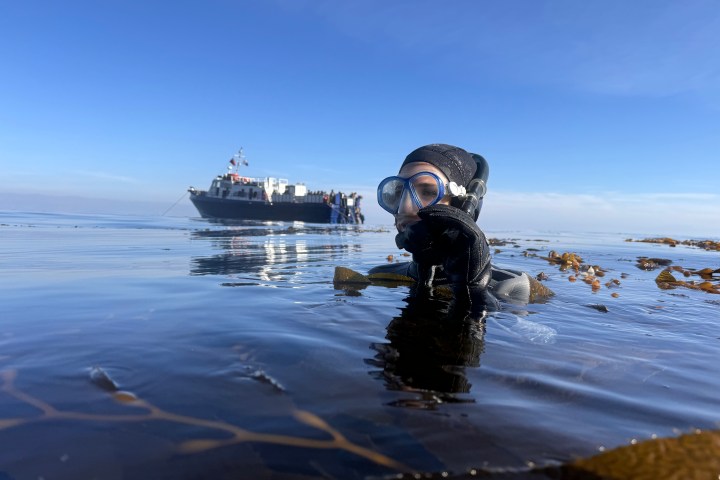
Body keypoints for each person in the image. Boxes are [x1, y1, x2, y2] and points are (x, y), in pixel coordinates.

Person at [369, 143, 552, 309]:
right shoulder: (379, 277)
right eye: (399, 192)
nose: (405, 207)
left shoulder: (516, 286)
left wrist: (473, 294)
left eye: (428, 192)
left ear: (462, 206)